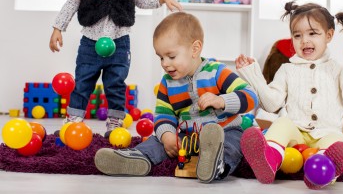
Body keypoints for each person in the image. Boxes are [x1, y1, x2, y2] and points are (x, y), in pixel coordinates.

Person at [49, 0, 182, 138]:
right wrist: (58, 28)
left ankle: (115, 122)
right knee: (82, 82)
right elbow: (71, 3)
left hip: (119, 44)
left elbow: (141, 0)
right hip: (90, 43)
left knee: (115, 84)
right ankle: (74, 120)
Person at [94, 12, 258, 183]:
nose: (165, 63)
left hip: (225, 130)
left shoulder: (217, 71)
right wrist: (167, 136)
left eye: (171, 56)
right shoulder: (167, 83)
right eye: (161, 57)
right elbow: (164, 116)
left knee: (234, 142)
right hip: (189, 138)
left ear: (195, 49)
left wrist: (222, 101)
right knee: (157, 141)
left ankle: (217, 164)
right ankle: (138, 157)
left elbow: (250, 96)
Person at [235, 1, 343, 190]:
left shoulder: (337, 68)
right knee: (282, 123)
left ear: (329, 35)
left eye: (312, 33)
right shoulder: (287, 69)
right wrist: (253, 75)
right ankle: (269, 159)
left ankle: (320, 173)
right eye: (297, 35)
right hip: (297, 134)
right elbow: (272, 104)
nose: (304, 40)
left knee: (337, 143)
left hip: (328, 132)